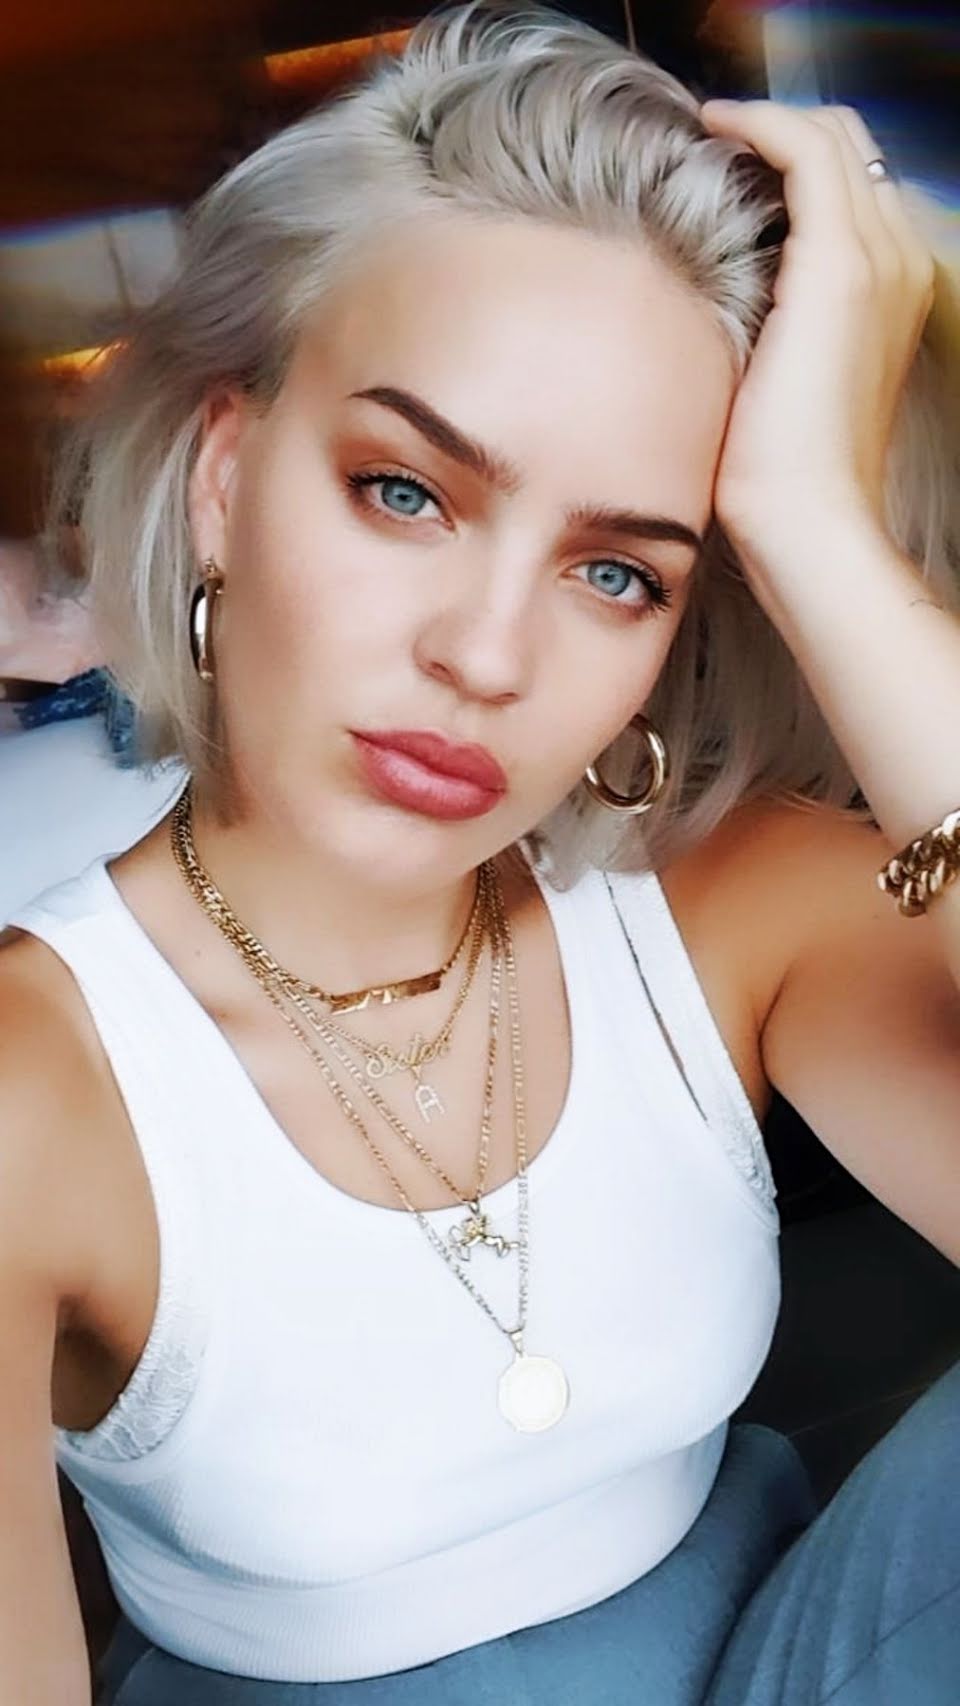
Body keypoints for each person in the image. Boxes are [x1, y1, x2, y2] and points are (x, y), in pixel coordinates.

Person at [1, 3, 958, 1702]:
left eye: (619, 572)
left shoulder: (725, 906)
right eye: (405, 490)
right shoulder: (39, 1087)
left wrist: (815, 523)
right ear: (226, 477)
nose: (487, 653)